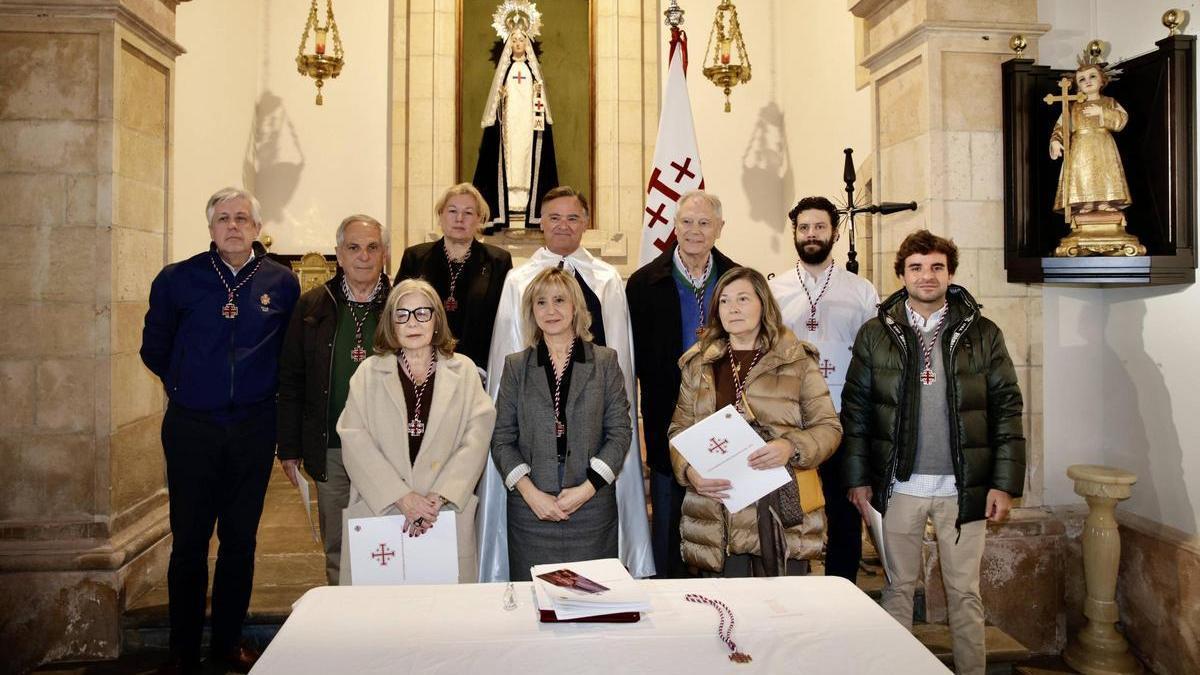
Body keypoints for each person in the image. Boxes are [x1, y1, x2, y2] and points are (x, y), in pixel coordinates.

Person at [842, 230, 1025, 675]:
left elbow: (1006, 408)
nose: (927, 276)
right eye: (916, 268)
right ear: (901, 275)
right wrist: (858, 479)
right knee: (898, 589)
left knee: (965, 593)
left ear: (951, 273)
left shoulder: (983, 333)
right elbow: (857, 411)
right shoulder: (875, 335)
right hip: (899, 486)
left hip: (964, 489)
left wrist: (1003, 483)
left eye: (936, 267)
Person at [140, 187, 300, 674]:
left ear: (257, 227)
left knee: (240, 540)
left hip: (253, 426)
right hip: (192, 428)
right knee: (189, 541)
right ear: (210, 228)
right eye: (224, 219)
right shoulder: (178, 279)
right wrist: (189, 385)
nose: (233, 226)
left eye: (242, 218)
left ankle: (228, 642)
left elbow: (288, 355)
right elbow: (154, 348)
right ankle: (183, 650)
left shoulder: (282, 281)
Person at [480, 186, 654, 582]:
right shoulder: (518, 280)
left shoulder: (606, 278)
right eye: (554, 217)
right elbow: (504, 417)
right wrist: (527, 485)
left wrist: (592, 480)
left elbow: (620, 363)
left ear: (586, 223)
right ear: (541, 223)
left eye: (573, 217)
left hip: (591, 461)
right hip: (533, 473)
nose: (563, 225)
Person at [669, 267, 842, 577]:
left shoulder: (797, 360)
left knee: (784, 617)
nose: (733, 308)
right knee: (726, 619)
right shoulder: (699, 364)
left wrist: (791, 446)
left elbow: (829, 428)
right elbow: (679, 430)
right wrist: (689, 471)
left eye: (743, 299)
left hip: (781, 518)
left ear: (763, 304)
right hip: (717, 514)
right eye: (724, 301)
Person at [337, 279, 496, 584]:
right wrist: (402, 498)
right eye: (402, 314)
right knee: (383, 617)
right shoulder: (368, 374)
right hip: (382, 508)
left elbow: (476, 437)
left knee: (441, 615)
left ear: (437, 319)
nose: (413, 322)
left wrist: (437, 496)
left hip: (442, 511)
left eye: (423, 313)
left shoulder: (463, 371)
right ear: (391, 323)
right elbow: (354, 440)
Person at [490, 268, 631, 580]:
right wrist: (530, 493)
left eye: (559, 300)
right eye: (541, 302)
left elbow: (620, 432)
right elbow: (501, 438)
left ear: (575, 307)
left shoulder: (605, 361)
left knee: (594, 604)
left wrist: (587, 489)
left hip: (591, 508)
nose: (550, 310)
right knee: (537, 608)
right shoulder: (516, 366)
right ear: (531, 311)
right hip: (532, 512)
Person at [626, 190, 739, 578]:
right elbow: (634, 361)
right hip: (667, 422)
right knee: (670, 528)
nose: (694, 231)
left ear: (720, 229)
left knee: (725, 523)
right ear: (674, 226)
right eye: (687, 222)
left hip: (727, 421)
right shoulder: (643, 285)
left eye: (705, 223)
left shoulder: (738, 279)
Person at [768, 196, 878, 583]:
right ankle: (792, 588)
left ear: (834, 231)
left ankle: (842, 589)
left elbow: (872, 357)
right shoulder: (774, 289)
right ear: (794, 232)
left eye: (819, 227)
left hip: (844, 415)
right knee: (791, 509)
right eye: (803, 228)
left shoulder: (862, 291)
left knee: (844, 510)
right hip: (791, 418)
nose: (811, 234)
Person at [277, 214, 390, 585]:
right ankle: (345, 625)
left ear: (384, 254)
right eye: (353, 248)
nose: (363, 256)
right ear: (338, 254)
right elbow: (292, 380)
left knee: (389, 540)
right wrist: (289, 447)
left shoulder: (401, 305)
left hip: (388, 448)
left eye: (372, 247)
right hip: (331, 448)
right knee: (338, 546)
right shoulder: (312, 305)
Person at [396, 183, 512, 372]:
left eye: (468, 213)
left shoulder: (498, 261)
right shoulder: (415, 257)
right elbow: (397, 313)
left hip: (476, 366)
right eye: (452, 211)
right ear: (440, 216)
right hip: (421, 364)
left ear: (479, 219)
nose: (459, 219)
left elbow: (504, 320)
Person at [473, 3, 558, 232]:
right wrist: (501, 101)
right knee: (510, 159)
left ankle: (527, 201)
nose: (518, 45)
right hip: (510, 125)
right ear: (509, 45)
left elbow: (538, 101)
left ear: (527, 44)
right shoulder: (507, 72)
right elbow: (498, 106)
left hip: (528, 126)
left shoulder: (531, 73)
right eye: (514, 42)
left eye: (522, 41)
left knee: (525, 156)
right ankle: (510, 200)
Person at [1049, 62, 1131, 215]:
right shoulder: (1073, 105)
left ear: (1102, 80)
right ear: (1077, 85)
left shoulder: (1109, 102)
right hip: (1080, 146)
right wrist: (1055, 141)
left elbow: (1122, 119)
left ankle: (1105, 201)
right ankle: (1085, 202)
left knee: (1105, 171)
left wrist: (1102, 112)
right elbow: (1061, 125)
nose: (1087, 81)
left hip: (1103, 144)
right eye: (1081, 79)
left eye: (1092, 76)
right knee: (1083, 172)